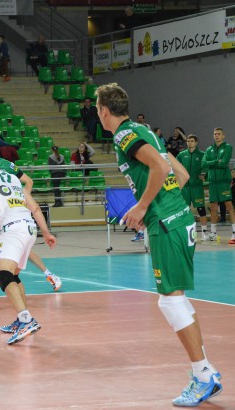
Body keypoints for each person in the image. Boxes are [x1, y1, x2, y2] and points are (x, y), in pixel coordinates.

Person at [96, 82, 222, 406]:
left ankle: (203, 375)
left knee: (170, 302)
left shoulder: (124, 135)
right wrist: (157, 206)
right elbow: (181, 175)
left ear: (104, 111)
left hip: (167, 224)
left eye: (97, 108)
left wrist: (143, 207)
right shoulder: (145, 131)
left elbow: (162, 167)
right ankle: (205, 371)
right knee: (176, 300)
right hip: (177, 218)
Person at [0, 146, 56, 344]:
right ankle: (22, 319)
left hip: (13, 229)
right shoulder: (12, 177)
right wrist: (46, 232)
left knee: (2, 275)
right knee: (13, 275)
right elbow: (35, 207)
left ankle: (26, 320)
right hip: (29, 227)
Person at [0, 138, 62, 293]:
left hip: (6, 214)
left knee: (19, 248)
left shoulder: (6, 167)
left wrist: (22, 199)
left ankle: (48, 274)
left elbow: (28, 181)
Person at [202, 127, 235, 244]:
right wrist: (216, 161)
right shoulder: (209, 149)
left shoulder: (228, 147)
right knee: (213, 207)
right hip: (212, 182)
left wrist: (211, 163)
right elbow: (203, 164)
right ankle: (213, 233)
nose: (217, 136)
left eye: (219, 134)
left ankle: (234, 233)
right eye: (215, 134)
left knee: (229, 206)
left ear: (223, 136)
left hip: (223, 182)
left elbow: (224, 163)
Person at [176, 134, 209, 240]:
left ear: (196, 142)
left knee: (201, 209)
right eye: (188, 141)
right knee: (184, 210)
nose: (189, 143)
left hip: (197, 187)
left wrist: (204, 175)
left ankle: (204, 233)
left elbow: (207, 167)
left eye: (191, 141)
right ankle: (184, 233)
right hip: (185, 187)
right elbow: (175, 167)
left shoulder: (202, 154)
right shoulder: (181, 155)